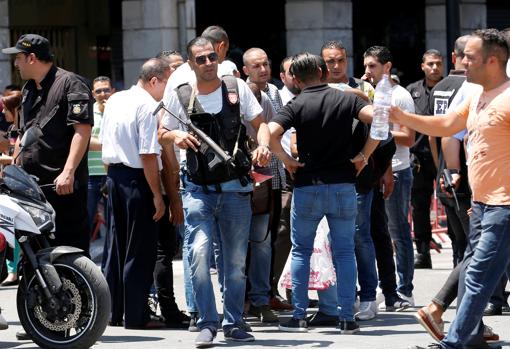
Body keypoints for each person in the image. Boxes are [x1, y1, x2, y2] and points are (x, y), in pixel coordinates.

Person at [388, 29, 510, 349]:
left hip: (504, 205)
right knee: (475, 274)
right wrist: (402, 116)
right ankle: (467, 337)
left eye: (470, 57)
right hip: (483, 203)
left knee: (478, 276)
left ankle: (454, 342)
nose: (462, 62)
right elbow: (446, 126)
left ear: (493, 61)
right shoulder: (474, 93)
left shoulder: (508, 97)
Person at [159, 36, 271, 347]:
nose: (209, 63)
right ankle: (208, 322)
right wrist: (177, 135)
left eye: (212, 57)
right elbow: (162, 132)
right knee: (198, 253)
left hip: (235, 187)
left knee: (234, 262)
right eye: (201, 59)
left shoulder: (236, 88)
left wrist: (263, 145)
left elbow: (260, 123)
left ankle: (234, 322)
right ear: (190, 63)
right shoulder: (178, 92)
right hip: (197, 189)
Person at [269, 52, 378, 334]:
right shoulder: (346, 99)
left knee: (302, 251)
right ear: (323, 71)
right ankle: (347, 318)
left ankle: (300, 315)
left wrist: (286, 160)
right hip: (343, 184)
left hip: (308, 186)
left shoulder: (296, 103)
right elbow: (379, 121)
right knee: (344, 252)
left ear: (294, 78)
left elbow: (269, 133)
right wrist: (364, 155)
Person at [2, 34, 93, 256]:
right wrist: (12, 169)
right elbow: (23, 134)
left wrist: (68, 172)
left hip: (61, 186)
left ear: (31, 58)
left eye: (18, 58)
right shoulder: (28, 90)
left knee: (70, 250)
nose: (16, 64)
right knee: (35, 255)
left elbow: (82, 130)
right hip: (31, 188)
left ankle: (81, 290)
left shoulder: (71, 83)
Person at [100, 58, 169, 330]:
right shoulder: (148, 105)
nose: (168, 90)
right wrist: (157, 194)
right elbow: (148, 154)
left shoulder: (116, 100)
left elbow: (106, 141)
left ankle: (114, 312)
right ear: (154, 81)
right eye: (166, 83)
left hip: (115, 176)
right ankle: (137, 315)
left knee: (116, 248)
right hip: (137, 179)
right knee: (139, 251)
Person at [363, 46, 416, 306]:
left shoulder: (400, 95)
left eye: (372, 66)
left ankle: (405, 288)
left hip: (398, 169)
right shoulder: (368, 93)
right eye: (365, 66)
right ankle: (385, 287)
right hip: (374, 171)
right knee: (378, 232)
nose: (367, 72)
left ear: (387, 67)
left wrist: (380, 129)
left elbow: (409, 136)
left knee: (398, 231)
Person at [152, 49, 191, 329]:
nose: (180, 75)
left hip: (183, 184)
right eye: (173, 70)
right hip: (167, 188)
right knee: (165, 252)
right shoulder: (158, 108)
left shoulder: (186, 99)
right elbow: (165, 161)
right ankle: (168, 308)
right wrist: (173, 199)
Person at [406, 49, 444, 269]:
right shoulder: (412, 91)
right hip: (419, 157)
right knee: (419, 205)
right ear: (422, 66)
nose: (434, 68)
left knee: (451, 204)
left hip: (445, 156)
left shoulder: (451, 88)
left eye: (438, 63)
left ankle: (461, 249)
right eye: (430, 64)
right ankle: (422, 252)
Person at [87, 76, 115, 236]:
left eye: (106, 90)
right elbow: (86, 141)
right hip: (91, 174)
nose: (103, 94)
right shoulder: (89, 112)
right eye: (98, 91)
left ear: (113, 91)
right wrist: (112, 145)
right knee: (87, 217)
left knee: (113, 219)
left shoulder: (119, 110)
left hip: (112, 172)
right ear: (93, 94)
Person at [0, 91, 22, 287]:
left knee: (10, 229)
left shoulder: (22, 129)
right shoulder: (12, 128)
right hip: (8, 183)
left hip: (15, 185)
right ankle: (11, 271)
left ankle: (13, 270)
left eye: (6, 109)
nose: (4, 113)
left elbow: (16, 158)